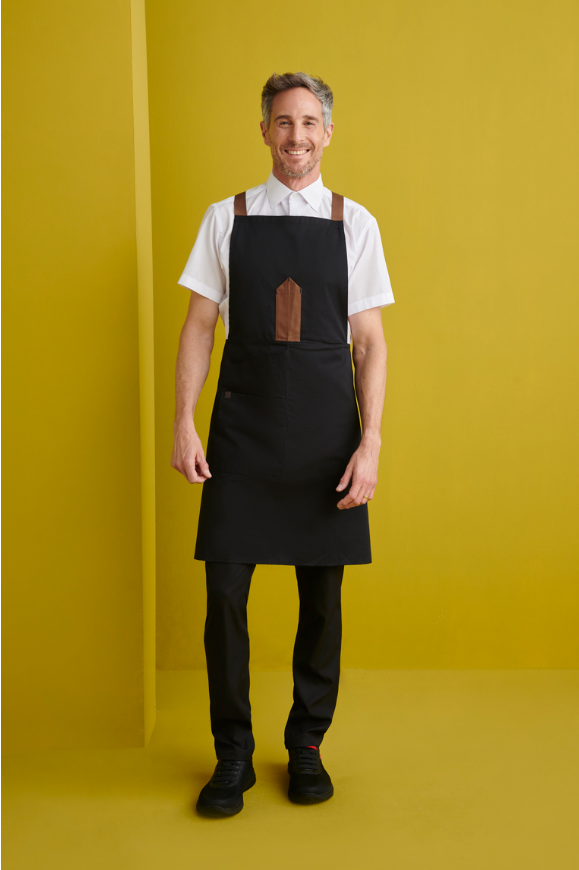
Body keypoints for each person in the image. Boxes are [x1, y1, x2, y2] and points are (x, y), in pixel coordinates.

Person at [172, 72, 394, 817]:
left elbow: (370, 342)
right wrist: (183, 421)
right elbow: (200, 325)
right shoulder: (225, 218)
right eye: (282, 121)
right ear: (264, 130)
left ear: (327, 133)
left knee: (322, 600)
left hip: (327, 437)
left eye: (308, 122)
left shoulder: (354, 223)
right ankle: (231, 754)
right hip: (243, 431)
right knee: (224, 598)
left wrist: (370, 441)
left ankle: (306, 746)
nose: (296, 136)